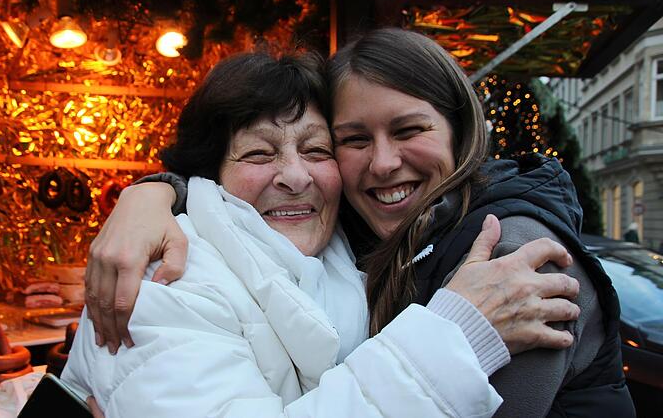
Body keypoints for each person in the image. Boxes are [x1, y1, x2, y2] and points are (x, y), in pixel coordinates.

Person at [84, 29, 635, 417]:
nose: (383, 163)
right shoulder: (166, 279)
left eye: (317, 148)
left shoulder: (509, 254)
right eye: (352, 140)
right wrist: (154, 193)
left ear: (461, 129)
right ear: (210, 174)